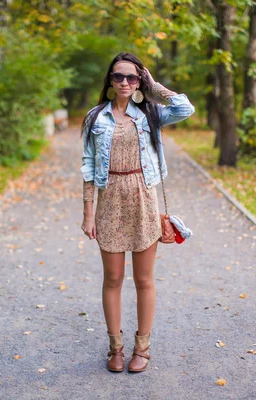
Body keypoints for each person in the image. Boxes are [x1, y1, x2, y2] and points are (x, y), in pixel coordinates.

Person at [80, 52, 195, 373]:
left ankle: (142, 347)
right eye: (119, 76)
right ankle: (115, 347)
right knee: (113, 278)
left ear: (140, 80)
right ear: (110, 80)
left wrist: (155, 86)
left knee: (144, 279)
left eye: (133, 77)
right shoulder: (95, 118)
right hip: (109, 200)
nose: (126, 83)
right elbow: (88, 167)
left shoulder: (150, 113)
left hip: (144, 198)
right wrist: (88, 212)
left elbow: (186, 109)